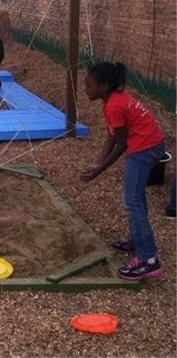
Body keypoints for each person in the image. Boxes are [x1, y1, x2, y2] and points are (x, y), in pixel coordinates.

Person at [81, 62, 166, 281]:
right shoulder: (113, 101)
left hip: (145, 148)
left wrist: (99, 170)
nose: (85, 90)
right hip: (149, 143)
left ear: (104, 86)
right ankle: (137, 240)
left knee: (131, 200)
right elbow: (112, 136)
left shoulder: (114, 106)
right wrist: (97, 162)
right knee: (135, 197)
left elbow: (121, 144)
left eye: (89, 86)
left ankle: (149, 258)